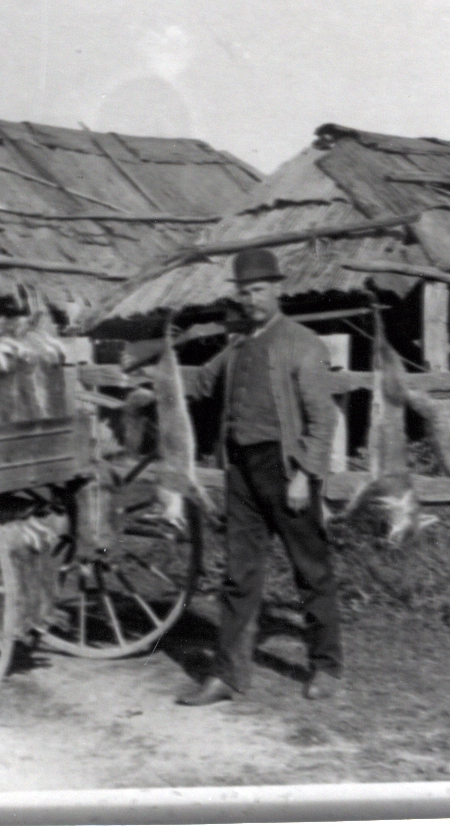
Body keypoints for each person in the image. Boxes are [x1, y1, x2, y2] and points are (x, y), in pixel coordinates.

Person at [175, 248, 342, 705]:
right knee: (239, 575)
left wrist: (305, 475)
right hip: (242, 472)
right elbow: (199, 383)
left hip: (287, 470)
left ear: (277, 289)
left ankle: (326, 667)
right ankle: (228, 676)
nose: (252, 300)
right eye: (245, 293)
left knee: (311, 570)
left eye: (259, 290)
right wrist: (159, 377)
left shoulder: (303, 344)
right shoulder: (237, 348)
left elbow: (323, 419)